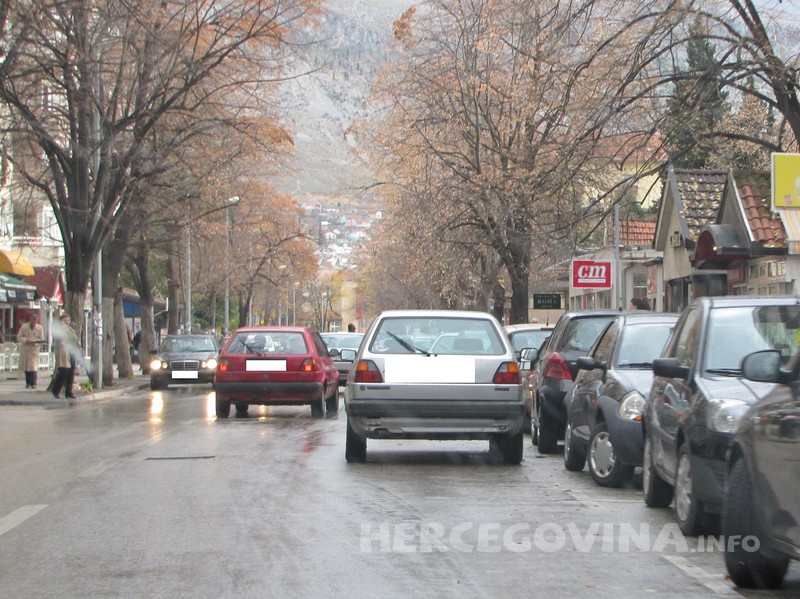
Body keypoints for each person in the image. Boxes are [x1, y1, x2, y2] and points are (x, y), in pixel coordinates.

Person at [51, 313, 79, 400]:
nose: (67, 322)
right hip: (63, 351)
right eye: (65, 320)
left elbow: (75, 339)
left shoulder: (70, 329)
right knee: (64, 371)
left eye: (68, 320)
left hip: (71, 351)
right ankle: (56, 389)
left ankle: (69, 392)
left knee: (71, 372)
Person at [18, 312, 44, 389]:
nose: (34, 322)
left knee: (33, 367)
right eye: (32, 320)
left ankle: (33, 383)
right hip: (26, 349)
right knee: (26, 367)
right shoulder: (24, 326)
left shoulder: (40, 328)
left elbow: (41, 339)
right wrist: (26, 340)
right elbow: (19, 337)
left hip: (34, 349)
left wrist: (35, 341)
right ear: (30, 319)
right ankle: (28, 383)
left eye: (35, 320)